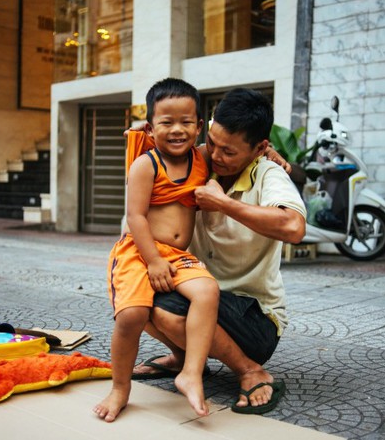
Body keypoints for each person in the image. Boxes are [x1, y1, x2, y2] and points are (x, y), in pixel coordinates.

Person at [132, 87, 307, 414]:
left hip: (254, 316)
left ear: (260, 149)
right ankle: (184, 357)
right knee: (135, 295)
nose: (214, 155)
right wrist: (151, 136)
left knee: (167, 307)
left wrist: (224, 204)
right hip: (198, 290)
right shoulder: (196, 159)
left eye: (228, 151)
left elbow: (293, 227)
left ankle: (251, 370)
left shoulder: (267, 173)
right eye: (212, 142)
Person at [93, 78, 220, 422]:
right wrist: (153, 260)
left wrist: (269, 152)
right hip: (140, 250)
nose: (177, 130)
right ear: (151, 128)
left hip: (177, 255)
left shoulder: (202, 157)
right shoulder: (145, 165)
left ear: (199, 126)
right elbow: (135, 216)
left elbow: (235, 146)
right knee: (132, 315)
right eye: (167, 122)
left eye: (186, 122)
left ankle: (191, 372)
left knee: (208, 290)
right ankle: (120, 388)